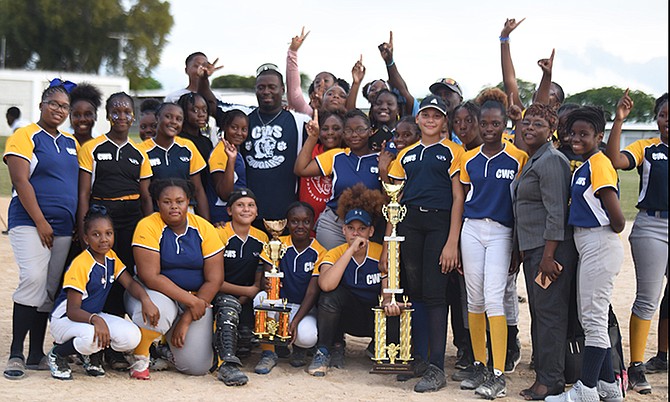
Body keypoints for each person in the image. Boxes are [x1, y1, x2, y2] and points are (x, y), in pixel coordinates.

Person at [385, 95, 464, 392]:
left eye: (437, 116)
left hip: (439, 224)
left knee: (434, 293)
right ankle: (418, 357)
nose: (431, 120)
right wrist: (389, 241)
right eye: (426, 115)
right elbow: (396, 199)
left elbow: (458, 198)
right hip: (410, 223)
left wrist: (452, 241)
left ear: (444, 121)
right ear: (417, 119)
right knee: (414, 290)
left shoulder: (453, 152)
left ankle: (436, 365)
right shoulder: (405, 155)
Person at [546, 106, 626, 402]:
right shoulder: (584, 164)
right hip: (588, 243)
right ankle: (608, 386)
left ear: (599, 137)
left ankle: (586, 388)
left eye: (585, 134)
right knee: (594, 317)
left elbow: (617, 219)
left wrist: (601, 229)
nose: (576, 138)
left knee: (592, 320)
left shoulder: (600, 163)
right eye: (573, 133)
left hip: (599, 241)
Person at [2, 80, 79, 380]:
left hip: (62, 228)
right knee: (32, 279)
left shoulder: (71, 143)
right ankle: (16, 353)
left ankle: (36, 353)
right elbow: (21, 182)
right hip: (29, 222)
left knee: (48, 289)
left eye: (64, 106)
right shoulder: (26, 136)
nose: (59, 110)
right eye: (54, 104)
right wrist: (41, 221)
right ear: (42, 105)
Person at [458, 90, 528, 399]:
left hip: (501, 231)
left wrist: (517, 245)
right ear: (477, 123)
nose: (489, 128)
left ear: (504, 124)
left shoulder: (517, 156)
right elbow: (461, 200)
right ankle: (479, 365)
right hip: (471, 230)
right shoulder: (468, 158)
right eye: (483, 123)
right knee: (474, 301)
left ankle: (498, 374)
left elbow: (522, 204)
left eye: (495, 123)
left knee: (493, 299)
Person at [77, 92, 153, 371]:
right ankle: (93, 348)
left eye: (127, 111)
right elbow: (84, 192)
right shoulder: (93, 148)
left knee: (122, 277)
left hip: (131, 218)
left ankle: (113, 348)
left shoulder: (139, 151)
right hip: (101, 216)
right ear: (108, 115)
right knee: (98, 278)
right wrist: (83, 227)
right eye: (116, 111)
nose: (122, 116)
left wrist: (149, 228)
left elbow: (146, 197)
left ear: (133, 115)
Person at [125, 179, 224, 380]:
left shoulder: (204, 228)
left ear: (189, 201)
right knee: (160, 312)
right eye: (167, 201)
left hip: (194, 298)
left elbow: (215, 280)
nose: (174, 207)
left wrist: (188, 316)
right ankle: (140, 355)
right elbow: (150, 276)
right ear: (157, 203)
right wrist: (193, 303)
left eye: (180, 201)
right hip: (153, 293)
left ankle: (163, 349)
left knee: (197, 367)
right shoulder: (148, 225)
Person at [47, 205, 159, 380]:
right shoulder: (81, 264)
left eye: (108, 233)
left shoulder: (111, 257)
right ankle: (58, 354)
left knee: (132, 336)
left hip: (91, 316)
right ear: (86, 238)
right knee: (93, 335)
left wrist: (146, 299)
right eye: (96, 234)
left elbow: (129, 283)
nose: (104, 239)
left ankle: (89, 355)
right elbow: (72, 310)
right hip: (64, 320)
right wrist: (96, 320)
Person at [512, 103, 577, 400]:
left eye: (537, 124)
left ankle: (551, 381)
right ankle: (546, 375)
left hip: (548, 251)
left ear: (551, 129)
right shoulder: (534, 158)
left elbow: (556, 212)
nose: (528, 128)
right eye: (526, 123)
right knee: (541, 312)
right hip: (534, 249)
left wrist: (548, 256)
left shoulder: (551, 160)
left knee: (549, 314)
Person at [604, 91, 668, 394]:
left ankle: (662, 357)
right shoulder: (648, 148)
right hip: (652, 226)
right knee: (648, 298)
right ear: (656, 119)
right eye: (664, 115)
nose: (668, 121)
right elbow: (615, 160)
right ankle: (637, 365)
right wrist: (618, 121)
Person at [306, 184, 393, 377]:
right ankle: (326, 349)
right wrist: (350, 251)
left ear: (371, 231)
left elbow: (387, 292)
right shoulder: (335, 253)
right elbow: (326, 285)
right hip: (346, 317)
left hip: (372, 317)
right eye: (351, 228)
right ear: (343, 230)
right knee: (330, 296)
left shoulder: (381, 253)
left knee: (392, 306)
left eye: (362, 229)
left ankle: (379, 346)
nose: (356, 233)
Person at [252, 201, 327, 374]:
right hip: (280, 306)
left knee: (308, 337)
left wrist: (294, 322)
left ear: (312, 222)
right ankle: (268, 353)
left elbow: (312, 291)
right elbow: (266, 282)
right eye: (294, 221)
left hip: (304, 309)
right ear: (287, 222)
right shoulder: (276, 244)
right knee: (260, 298)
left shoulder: (319, 251)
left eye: (306, 221)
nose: (300, 226)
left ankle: (300, 349)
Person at [294, 109, 380, 250]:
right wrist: (313, 137)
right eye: (348, 131)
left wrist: (382, 168)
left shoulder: (380, 159)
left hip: (368, 227)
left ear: (370, 131)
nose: (354, 135)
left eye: (360, 130)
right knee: (330, 268)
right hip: (334, 224)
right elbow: (300, 169)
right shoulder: (337, 156)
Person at [241, 63, 310, 222]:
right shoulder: (244, 119)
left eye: (272, 87)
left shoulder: (300, 122)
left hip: (286, 210)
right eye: (261, 87)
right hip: (248, 211)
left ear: (283, 89)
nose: (266, 92)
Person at [215, 188, 268, 385]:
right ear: (229, 211)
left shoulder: (262, 237)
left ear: (256, 211)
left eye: (251, 205)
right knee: (229, 310)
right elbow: (215, 280)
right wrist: (246, 292)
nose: (246, 209)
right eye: (240, 205)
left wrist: (248, 295)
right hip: (221, 295)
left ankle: (269, 351)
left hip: (248, 298)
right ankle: (227, 365)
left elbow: (260, 279)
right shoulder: (219, 233)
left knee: (245, 341)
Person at [138, 102, 210, 220]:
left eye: (179, 119)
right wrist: (151, 222)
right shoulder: (142, 150)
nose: (173, 122)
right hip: (157, 214)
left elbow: (198, 189)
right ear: (157, 118)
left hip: (186, 213)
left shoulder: (188, 147)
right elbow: (146, 196)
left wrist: (207, 224)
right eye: (168, 117)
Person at [296, 111, 343, 222]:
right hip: (306, 224)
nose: (330, 132)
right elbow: (299, 169)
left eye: (336, 129)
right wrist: (313, 136)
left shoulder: (345, 155)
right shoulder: (310, 149)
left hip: (333, 225)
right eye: (325, 129)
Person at [209, 109, 249, 223]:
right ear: (225, 127)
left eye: (244, 129)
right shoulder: (220, 152)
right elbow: (224, 194)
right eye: (234, 127)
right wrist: (231, 160)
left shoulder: (235, 149)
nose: (239, 133)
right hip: (222, 217)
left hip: (234, 214)